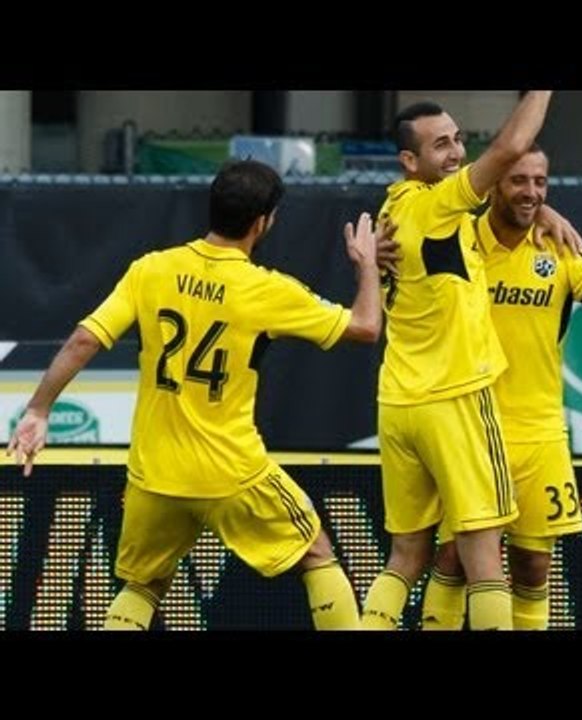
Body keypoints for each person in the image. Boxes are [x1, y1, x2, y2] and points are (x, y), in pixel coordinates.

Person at [6, 159, 385, 631]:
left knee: (143, 586)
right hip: (231, 470)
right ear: (263, 221)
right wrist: (367, 267)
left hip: (154, 475)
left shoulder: (152, 269)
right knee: (316, 552)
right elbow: (366, 327)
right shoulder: (264, 289)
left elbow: (85, 339)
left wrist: (39, 409)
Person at [409, 144, 582, 630]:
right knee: (453, 559)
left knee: (532, 565)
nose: (531, 192)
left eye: (540, 183)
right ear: (494, 184)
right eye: (519, 181)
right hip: (468, 427)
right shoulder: (459, 238)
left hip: (539, 431)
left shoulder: (562, 247)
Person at [361, 92, 580, 631]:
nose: (457, 151)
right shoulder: (437, 203)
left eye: (458, 138)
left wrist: (538, 207)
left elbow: (485, 194)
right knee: (485, 561)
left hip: (398, 401)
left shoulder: (396, 207)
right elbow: (509, 149)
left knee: (406, 554)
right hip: (455, 399)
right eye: (441, 145)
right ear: (410, 162)